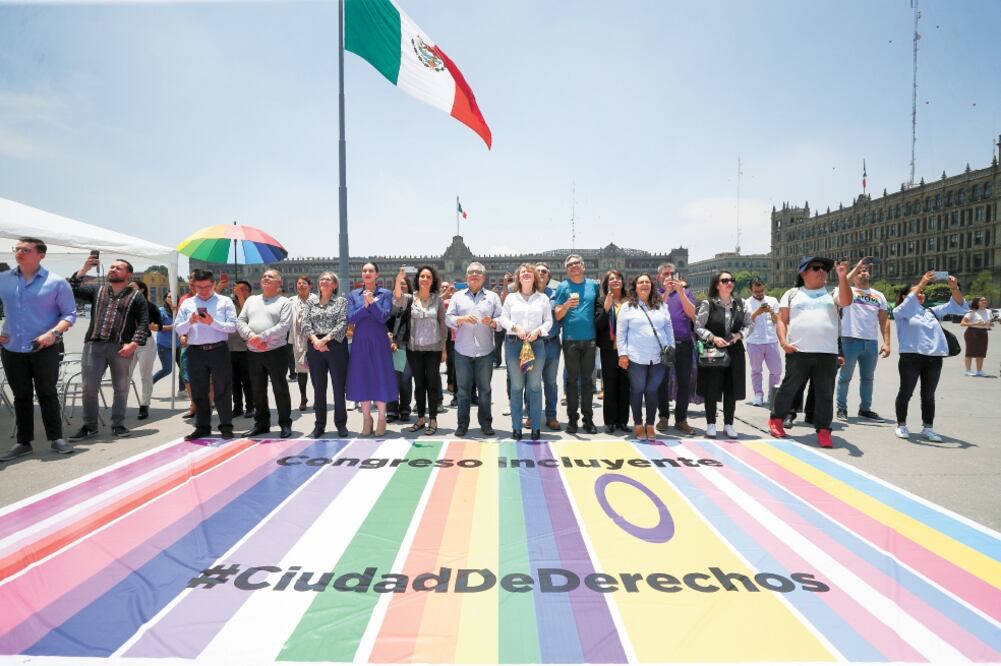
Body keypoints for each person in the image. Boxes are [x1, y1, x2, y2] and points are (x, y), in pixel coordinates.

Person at [0, 237, 77, 461]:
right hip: (12, 347)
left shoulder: (57, 283)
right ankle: (24, 443)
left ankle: (56, 439)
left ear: (41, 254)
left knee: (47, 393)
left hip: (45, 347)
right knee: (20, 396)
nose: (19, 253)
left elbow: (70, 314)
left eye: (26, 249)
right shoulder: (3, 279)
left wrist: (53, 333)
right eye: (17, 249)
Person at [768, 256, 853, 448]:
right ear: (803, 272)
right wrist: (783, 342)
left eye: (824, 268)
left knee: (824, 393)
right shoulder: (792, 293)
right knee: (790, 388)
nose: (821, 271)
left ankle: (823, 430)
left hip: (827, 353)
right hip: (799, 351)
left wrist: (843, 276)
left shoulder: (833, 292)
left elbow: (847, 301)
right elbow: (782, 319)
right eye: (816, 268)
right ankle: (776, 420)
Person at [68, 255, 149, 440]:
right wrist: (84, 269)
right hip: (93, 346)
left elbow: (143, 323)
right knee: (89, 388)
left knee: (121, 388)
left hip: (121, 348)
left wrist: (133, 343)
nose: (113, 269)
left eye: (118, 268)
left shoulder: (136, 297)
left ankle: (118, 424)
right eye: (112, 267)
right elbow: (71, 289)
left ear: (128, 275)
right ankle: (89, 426)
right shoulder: (97, 290)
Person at [892, 272, 967, 441]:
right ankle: (902, 425)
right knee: (906, 392)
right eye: (917, 292)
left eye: (922, 292)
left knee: (928, 395)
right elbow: (908, 303)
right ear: (906, 296)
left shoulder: (931, 312)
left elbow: (957, 306)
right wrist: (923, 281)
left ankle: (928, 428)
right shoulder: (901, 312)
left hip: (933, 359)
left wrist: (954, 287)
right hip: (910, 358)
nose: (921, 294)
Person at [173, 269, 238, 440]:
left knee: (222, 390)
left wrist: (212, 322)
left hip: (219, 350)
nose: (203, 291)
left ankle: (226, 426)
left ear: (213, 284)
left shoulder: (224, 301)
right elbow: (178, 328)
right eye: (199, 287)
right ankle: (202, 427)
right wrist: (190, 322)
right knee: (199, 391)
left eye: (207, 287)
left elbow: (232, 327)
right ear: (193, 286)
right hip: (195, 351)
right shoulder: (187, 303)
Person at [446, 262, 502, 437]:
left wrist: (493, 322)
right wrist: (461, 319)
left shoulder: (492, 297)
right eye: (471, 272)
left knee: (485, 389)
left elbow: (501, 321)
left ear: (483, 277)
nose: (474, 275)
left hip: (485, 351)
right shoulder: (457, 297)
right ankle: (462, 424)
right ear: (466, 277)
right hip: (463, 350)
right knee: (462, 390)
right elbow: (448, 318)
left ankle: (486, 423)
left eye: (478, 272)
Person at [497, 263, 553, 440]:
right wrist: (516, 327)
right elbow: (503, 319)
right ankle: (516, 428)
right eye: (523, 272)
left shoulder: (542, 298)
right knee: (517, 386)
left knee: (535, 386)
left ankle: (536, 427)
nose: (526, 274)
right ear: (518, 277)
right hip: (515, 344)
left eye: (530, 272)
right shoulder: (511, 298)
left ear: (535, 277)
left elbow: (548, 321)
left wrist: (538, 331)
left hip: (536, 344)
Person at [616, 274, 675, 439]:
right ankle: (638, 424)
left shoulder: (661, 306)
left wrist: (672, 349)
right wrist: (623, 354)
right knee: (637, 390)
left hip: (658, 357)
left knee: (652, 390)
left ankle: (650, 424)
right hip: (636, 357)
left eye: (647, 282)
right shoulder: (627, 307)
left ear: (652, 285)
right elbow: (621, 333)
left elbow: (669, 329)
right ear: (635, 286)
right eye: (640, 282)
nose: (644, 285)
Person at [695, 271, 753, 439]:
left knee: (731, 388)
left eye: (731, 280)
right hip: (714, 350)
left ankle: (729, 424)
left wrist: (740, 335)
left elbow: (750, 324)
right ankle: (711, 423)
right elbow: (698, 326)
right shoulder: (709, 303)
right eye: (725, 280)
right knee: (712, 387)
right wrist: (712, 337)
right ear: (717, 284)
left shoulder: (741, 304)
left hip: (734, 350)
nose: (729, 283)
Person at [237, 268, 294, 438]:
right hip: (254, 352)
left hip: (275, 351)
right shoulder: (251, 300)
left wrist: (261, 338)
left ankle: (285, 423)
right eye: (264, 276)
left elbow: (284, 326)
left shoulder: (284, 302)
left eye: (271, 276)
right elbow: (240, 320)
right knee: (257, 389)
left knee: (280, 388)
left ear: (279, 282)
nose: (266, 278)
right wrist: (250, 336)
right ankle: (261, 423)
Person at [394, 265, 447, 436]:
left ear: (433, 281)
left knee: (432, 384)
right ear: (418, 279)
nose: (425, 279)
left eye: (428, 277)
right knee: (419, 384)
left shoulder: (437, 300)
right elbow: (397, 298)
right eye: (422, 276)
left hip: (433, 348)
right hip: (414, 348)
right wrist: (398, 279)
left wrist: (444, 348)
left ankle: (433, 419)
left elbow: (442, 324)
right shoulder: (409, 298)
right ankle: (421, 418)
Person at [835, 261, 891, 421]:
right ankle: (842, 408)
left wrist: (887, 343)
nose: (863, 273)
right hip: (850, 339)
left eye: (865, 271)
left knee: (868, 378)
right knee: (845, 377)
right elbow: (843, 282)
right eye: (860, 271)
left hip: (871, 342)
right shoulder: (847, 291)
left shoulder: (879, 295)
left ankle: (865, 409)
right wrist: (854, 269)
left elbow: (884, 320)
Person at [346, 261, 397, 436]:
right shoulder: (353, 294)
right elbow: (351, 318)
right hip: (360, 341)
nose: (367, 273)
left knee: (380, 377)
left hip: (379, 341)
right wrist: (366, 306)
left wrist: (372, 304)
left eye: (370, 270)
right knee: (363, 378)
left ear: (377, 274)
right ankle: (367, 418)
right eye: (364, 270)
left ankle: (382, 418)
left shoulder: (385, 294)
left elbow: (383, 317)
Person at [554, 254, 600, 434]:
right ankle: (572, 419)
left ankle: (588, 419)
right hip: (570, 339)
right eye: (570, 265)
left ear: (583, 266)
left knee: (588, 382)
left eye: (577, 263)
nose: (574, 266)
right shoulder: (563, 287)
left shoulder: (593, 286)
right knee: (572, 381)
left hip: (590, 339)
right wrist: (565, 305)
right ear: (567, 269)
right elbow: (557, 314)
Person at [302, 271, 349, 438]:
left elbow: (343, 323)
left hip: (335, 346)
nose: (324, 281)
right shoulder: (311, 302)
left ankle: (341, 424)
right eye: (322, 279)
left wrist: (325, 340)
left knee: (338, 387)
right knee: (319, 388)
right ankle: (319, 425)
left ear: (335, 285)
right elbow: (305, 323)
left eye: (328, 280)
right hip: (315, 347)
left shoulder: (341, 302)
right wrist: (316, 341)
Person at [654, 262, 698, 435]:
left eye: (671, 274)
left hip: (684, 343)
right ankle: (663, 416)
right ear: (659, 278)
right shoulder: (656, 294)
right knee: (662, 383)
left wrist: (680, 292)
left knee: (684, 383)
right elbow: (657, 313)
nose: (669, 277)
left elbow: (692, 315)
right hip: (664, 345)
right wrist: (666, 293)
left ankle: (681, 419)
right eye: (665, 274)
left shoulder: (686, 292)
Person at [595, 269, 630, 434]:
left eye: (618, 278)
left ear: (622, 282)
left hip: (629, 349)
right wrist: (606, 309)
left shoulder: (630, 300)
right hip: (609, 349)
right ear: (606, 283)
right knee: (610, 386)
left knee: (625, 385)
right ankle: (609, 421)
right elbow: (598, 325)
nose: (615, 281)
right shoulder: (601, 300)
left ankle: (623, 421)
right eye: (611, 279)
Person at [127, 279, 163, 421]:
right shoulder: (123, 305)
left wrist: (154, 326)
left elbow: (159, 325)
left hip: (145, 344)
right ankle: (120, 405)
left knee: (145, 375)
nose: (128, 289)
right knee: (124, 376)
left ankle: (144, 405)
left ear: (141, 289)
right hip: (127, 344)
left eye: (132, 287)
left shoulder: (150, 306)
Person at [743, 278, 782, 407]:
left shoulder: (773, 300)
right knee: (756, 370)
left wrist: (771, 312)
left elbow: (778, 321)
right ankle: (758, 395)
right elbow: (746, 321)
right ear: (751, 290)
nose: (759, 293)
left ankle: (773, 395)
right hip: (754, 341)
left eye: (761, 290)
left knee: (776, 371)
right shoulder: (746, 303)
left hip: (771, 341)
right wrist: (758, 312)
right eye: (756, 291)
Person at [534, 263, 562, 431]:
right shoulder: (526, 294)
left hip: (551, 343)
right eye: (538, 271)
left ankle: (551, 416)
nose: (541, 273)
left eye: (544, 271)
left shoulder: (556, 295)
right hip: (532, 343)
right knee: (532, 382)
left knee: (550, 382)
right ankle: (531, 415)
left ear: (549, 276)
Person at [387, 275, 414, 424]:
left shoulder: (412, 303)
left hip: (408, 345)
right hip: (392, 344)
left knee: (405, 379)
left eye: (404, 285)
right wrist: (390, 339)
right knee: (393, 378)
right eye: (399, 285)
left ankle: (404, 408)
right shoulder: (391, 303)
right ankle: (391, 409)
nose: (402, 287)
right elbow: (386, 322)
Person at [228, 280, 254, 418]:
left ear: (249, 292)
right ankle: (237, 406)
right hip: (230, 348)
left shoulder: (252, 304)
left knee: (247, 380)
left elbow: (247, 317)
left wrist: (242, 298)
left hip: (246, 348)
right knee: (234, 381)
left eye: (244, 289)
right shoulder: (229, 304)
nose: (240, 291)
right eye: (237, 288)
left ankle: (251, 406)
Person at [289, 276, 312, 411]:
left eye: (304, 283)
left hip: (314, 339)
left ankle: (319, 398)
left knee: (316, 370)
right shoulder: (291, 301)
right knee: (301, 370)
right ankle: (303, 397)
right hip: (298, 340)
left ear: (310, 286)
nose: (301, 285)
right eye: (299, 283)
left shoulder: (316, 300)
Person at [961, 296, 992, 377]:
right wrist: (975, 323)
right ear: (977, 302)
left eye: (985, 300)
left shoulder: (989, 311)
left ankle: (979, 371)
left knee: (981, 352)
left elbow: (990, 323)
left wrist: (990, 324)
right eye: (982, 300)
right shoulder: (972, 312)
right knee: (970, 352)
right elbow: (962, 323)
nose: (985, 301)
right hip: (972, 332)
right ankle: (968, 370)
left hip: (983, 332)